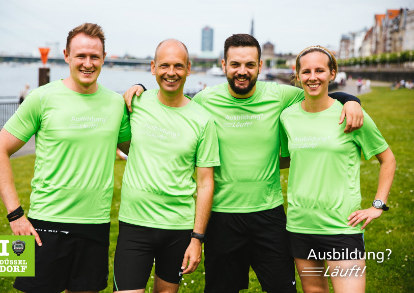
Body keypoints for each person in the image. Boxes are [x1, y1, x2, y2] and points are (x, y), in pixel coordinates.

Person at [123, 34, 363, 293]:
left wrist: (350, 99)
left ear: (260, 66)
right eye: (235, 64)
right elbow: (173, 106)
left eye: (250, 64)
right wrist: (140, 88)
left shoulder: (281, 95)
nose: (242, 71)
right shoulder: (205, 101)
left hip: (268, 214)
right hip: (222, 217)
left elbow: (317, 90)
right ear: (224, 65)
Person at [0, 23, 131, 293]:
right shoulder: (41, 98)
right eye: (80, 56)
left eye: (94, 57)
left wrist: (141, 89)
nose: (87, 63)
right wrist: (15, 216)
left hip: (96, 225)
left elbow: (140, 150)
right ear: (66, 55)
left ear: (103, 58)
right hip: (43, 223)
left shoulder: (115, 104)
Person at [280, 45, 396, 293]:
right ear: (298, 75)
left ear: (332, 74)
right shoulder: (287, 117)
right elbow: (287, 159)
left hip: (341, 227)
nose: (313, 77)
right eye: (307, 71)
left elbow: (388, 159)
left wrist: (378, 205)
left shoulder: (352, 114)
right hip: (301, 226)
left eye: (320, 70)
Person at [113, 39, 220, 293]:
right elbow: (126, 146)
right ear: (153, 67)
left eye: (178, 66)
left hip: (178, 228)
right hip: (135, 224)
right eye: (164, 65)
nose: (171, 72)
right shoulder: (134, 104)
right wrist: (135, 87)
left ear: (188, 69)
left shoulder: (203, 120)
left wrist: (197, 239)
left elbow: (206, 183)